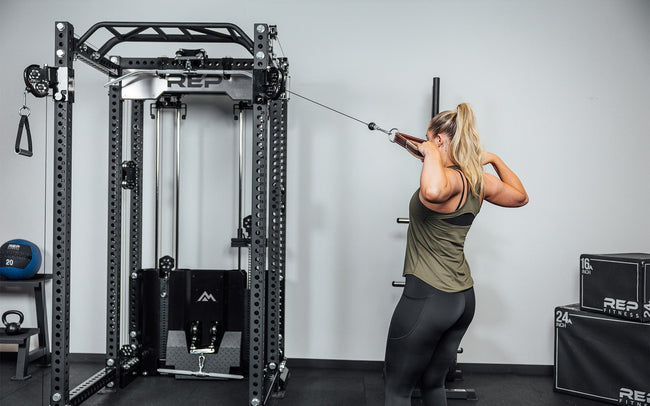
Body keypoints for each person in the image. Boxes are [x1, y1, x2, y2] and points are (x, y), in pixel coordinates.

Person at [384, 103, 529, 406]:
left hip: (429, 295)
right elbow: (519, 196)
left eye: (429, 138)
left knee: (397, 389)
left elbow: (434, 191)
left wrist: (433, 154)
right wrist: (494, 161)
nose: (425, 144)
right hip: (462, 299)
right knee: (433, 385)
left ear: (439, 140)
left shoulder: (446, 181)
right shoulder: (478, 180)